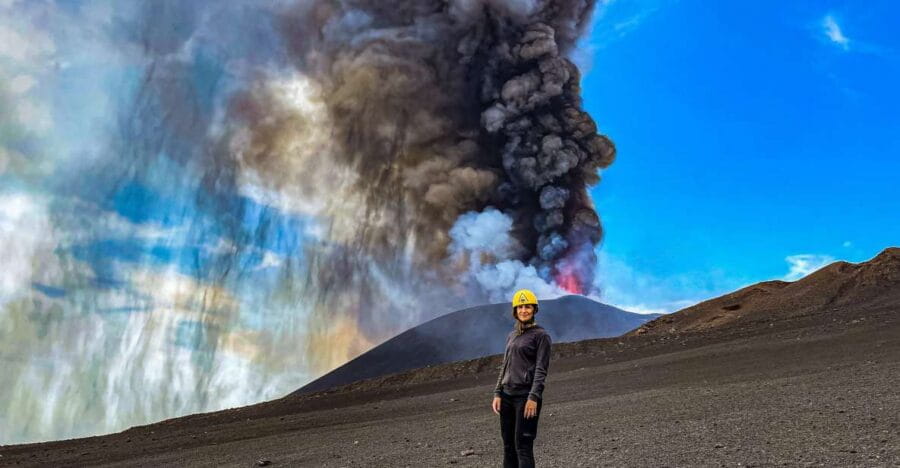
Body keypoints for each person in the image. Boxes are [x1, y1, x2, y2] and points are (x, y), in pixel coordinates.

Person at [491, 288, 552, 468]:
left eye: (527, 307)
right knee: (508, 446)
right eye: (520, 307)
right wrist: (497, 392)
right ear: (515, 311)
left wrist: (533, 397)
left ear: (534, 309)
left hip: (525, 399)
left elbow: (541, 370)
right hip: (507, 397)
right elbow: (505, 364)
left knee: (523, 447)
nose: (523, 310)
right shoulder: (512, 335)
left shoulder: (541, 336)